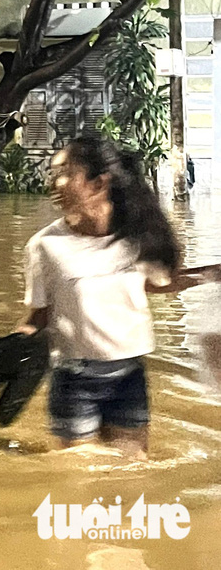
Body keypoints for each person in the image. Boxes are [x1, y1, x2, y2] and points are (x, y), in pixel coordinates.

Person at [18, 137, 218, 458]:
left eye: (65, 172)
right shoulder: (44, 246)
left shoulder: (136, 237)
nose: (53, 182)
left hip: (129, 378)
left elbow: (158, 283)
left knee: (133, 474)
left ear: (98, 183)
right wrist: (10, 349)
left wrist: (213, 273)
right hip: (74, 380)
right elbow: (38, 317)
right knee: (79, 480)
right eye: (54, 173)